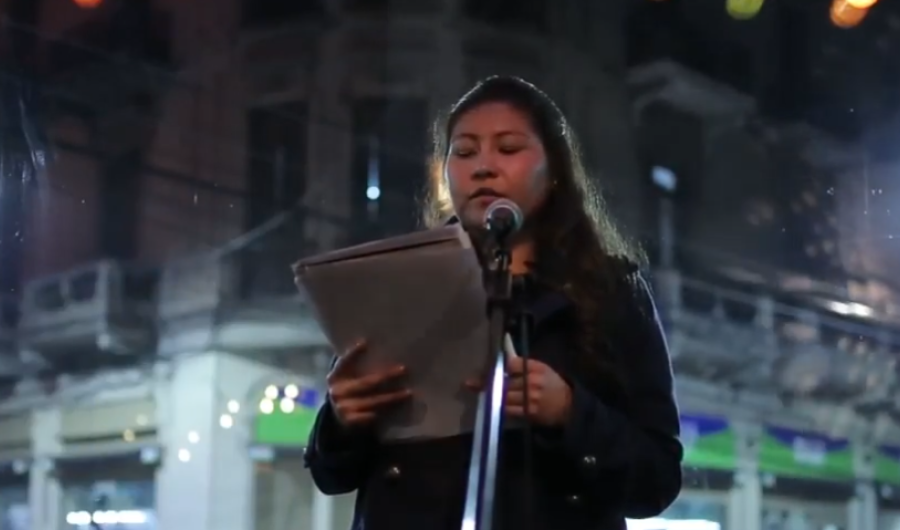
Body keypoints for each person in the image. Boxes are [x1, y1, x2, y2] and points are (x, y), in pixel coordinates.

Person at [302, 75, 683, 530]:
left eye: (508, 148)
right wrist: (341, 419)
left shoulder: (612, 291)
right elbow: (332, 476)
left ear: (555, 168)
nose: (483, 167)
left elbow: (656, 480)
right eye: (463, 152)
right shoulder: (399, 281)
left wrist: (569, 411)